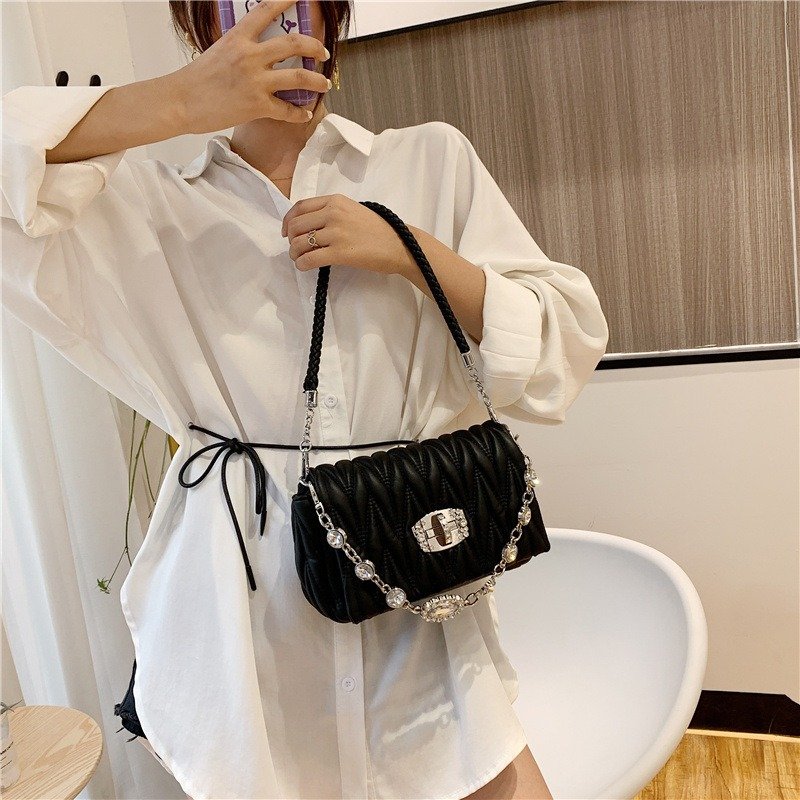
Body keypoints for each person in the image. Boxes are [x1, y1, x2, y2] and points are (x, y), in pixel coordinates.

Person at [1, 0, 609, 797]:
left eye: (298, 6)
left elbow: (564, 343)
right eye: (244, 7)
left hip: (420, 609)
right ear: (201, 24)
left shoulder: (427, 161)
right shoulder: (146, 202)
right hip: (247, 643)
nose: (279, 26)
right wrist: (178, 102)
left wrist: (409, 250)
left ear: (331, 18)